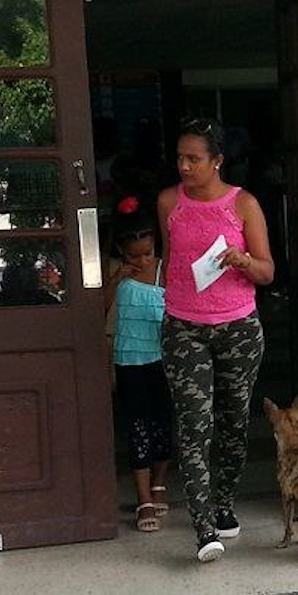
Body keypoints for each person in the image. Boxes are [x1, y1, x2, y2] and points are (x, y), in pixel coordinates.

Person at [157, 116, 274, 562]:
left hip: (239, 329)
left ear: (217, 161)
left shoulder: (243, 205)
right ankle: (204, 527)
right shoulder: (169, 202)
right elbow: (170, 262)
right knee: (193, 424)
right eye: (181, 158)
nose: (185, 166)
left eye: (195, 158)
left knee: (232, 424)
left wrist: (241, 260)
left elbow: (267, 271)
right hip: (184, 326)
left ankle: (223, 502)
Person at [103, 197, 174, 532]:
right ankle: (143, 497)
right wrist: (115, 280)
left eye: (147, 253)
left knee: (163, 423)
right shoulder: (115, 275)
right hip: (128, 361)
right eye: (135, 255)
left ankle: (159, 483)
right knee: (138, 428)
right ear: (121, 249)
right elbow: (100, 315)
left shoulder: (165, 270)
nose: (143, 260)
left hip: (163, 360)